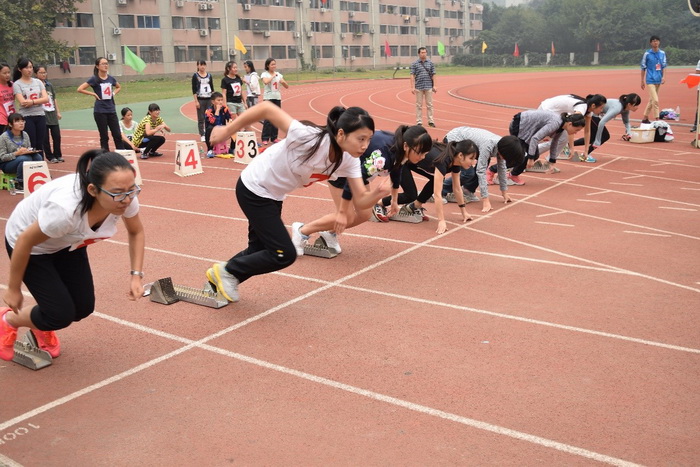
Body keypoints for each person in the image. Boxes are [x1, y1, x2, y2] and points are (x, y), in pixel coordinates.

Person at [206, 101, 389, 302]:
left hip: (274, 195)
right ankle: (228, 272)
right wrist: (226, 131)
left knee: (259, 251)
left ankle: (220, 277)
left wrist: (378, 193)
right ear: (341, 134)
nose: (365, 146)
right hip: (254, 187)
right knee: (284, 254)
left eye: (369, 139)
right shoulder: (308, 137)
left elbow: (361, 202)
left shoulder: (350, 160)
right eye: (361, 138)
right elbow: (266, 108)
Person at [1, 150, 145, 361]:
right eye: (117, 193)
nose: (127, 199)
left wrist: (136, 276)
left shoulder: (126, 198)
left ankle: (38, 323)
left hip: (67, 243)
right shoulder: (65, 211)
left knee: (83, 308)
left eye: (132, 189)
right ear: (93, 190)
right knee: (59, 315)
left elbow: (136, 232)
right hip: (32, 247)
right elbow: (25, 241)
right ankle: (8, 320)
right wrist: (14, 289)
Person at [292, 125, 431, 254]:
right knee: (347, 216)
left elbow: (397, 169)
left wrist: (394, 200)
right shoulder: (382, 157)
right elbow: (350, 181)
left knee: (365, 214)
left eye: (425, 153)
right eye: (420, 153)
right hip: (342, 172)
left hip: (359, 174)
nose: (423, 157)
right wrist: (343, 212)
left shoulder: (400, 148)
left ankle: (329, 233)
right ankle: (302, 231)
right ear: (406, 146)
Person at [488, 111, 586, 186]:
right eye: (576, 129)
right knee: (519, 155)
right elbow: (535, 138)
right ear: (570, 124)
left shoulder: (561, 126)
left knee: (534, 155)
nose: (576, 133)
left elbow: (554, 142)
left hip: (528, 130)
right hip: (519, 125)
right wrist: (530, 158)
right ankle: (491, 171)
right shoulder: (556, 123)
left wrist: (552, 161)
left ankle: (513, 175)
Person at [445, 127, 524, 213]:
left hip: (470, 146)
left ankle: (467, 190)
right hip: (454, 140)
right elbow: (481, 171)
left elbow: (502, 168)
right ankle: (440, 191)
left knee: (484, 163)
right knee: (468, 173)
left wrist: (504, 192)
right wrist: (485, 200)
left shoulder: (503, 146)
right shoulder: (488, 145)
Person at [537, 93, 606, 163]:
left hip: (555, 112)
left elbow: (587, 131)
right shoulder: (581, 108)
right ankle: (535, 153)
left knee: (562, 139)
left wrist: (586, 151)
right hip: (546, 110)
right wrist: (571, 148)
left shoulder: (588, 112)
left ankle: (548, 161)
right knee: (562, 138)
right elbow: (571, 128)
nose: (602, 110)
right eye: (601, 108)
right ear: (593, 105)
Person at [429, 140, 478, 234]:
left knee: (432, 183)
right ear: (460, 155)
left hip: (421, 166)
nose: (473, 163)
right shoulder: (443, 161)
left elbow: (457, 188)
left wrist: (464, 212)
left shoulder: (455, 163)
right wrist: (441, 221)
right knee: (410, 195)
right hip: (409, 163)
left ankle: (416, 205)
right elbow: (437, 194)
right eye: (471, 158)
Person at [77, 57, 124, 152]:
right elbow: (80, 89)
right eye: (103, 64)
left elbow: (118, 87)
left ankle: (121, 153)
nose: (106, 65)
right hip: (100, 111)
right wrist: (93, 94)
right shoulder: (94, 79)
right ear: (97, 66)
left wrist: (113, 93)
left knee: (117, 134)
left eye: (106, 63)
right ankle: (105, 155)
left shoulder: (111, 78)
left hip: (111, 110)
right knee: (104, 136)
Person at [575, 93, 641, 153]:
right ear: (629, 104)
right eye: (636, 105)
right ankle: (585, 154)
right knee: (605, 136)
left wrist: (629, 132)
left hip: (597, 115)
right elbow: (602, 122)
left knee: (592, 138)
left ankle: (571, 145)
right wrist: (597, 141)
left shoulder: (626, 110)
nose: (638, 107)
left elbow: (626, 122)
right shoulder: (617, 108)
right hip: (592, 114)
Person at [12, 58, 49, 161]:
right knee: (31, 143)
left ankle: (41, 164)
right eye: (26, 68)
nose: (29, 70)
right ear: (20, 69)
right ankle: (31, 165)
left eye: (31, 67)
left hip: (40, 115)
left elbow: (46, 99)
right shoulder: (17, 84)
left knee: (40, 143)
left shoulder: (38, 82)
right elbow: (23, 102)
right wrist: (38, 101)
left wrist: (32, 102)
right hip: (27, 117)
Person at [0, 113, 43, 193]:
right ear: (10, 124)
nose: (21, 123)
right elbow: (2, 157)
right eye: (17, 121)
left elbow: (29, 148)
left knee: (37, 157)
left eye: (23, 121)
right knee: (25, 159)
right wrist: (17, 153)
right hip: (7, 164)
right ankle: (19, 182)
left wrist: (29, 151)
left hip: (22, 159)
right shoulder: (4, 137)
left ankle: (37, 177)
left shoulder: (25, 134)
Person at [36, 65, 64, 163]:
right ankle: (50, 156)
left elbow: (54, 99)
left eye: (44, 72)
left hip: (52, 113)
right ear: (36, 74)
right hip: (42, 113)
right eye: (41, 73)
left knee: (57, 136)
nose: (43, 74)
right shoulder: (35, 86)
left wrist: (58, 111)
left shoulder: (49, 85)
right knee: (45, 138)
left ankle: (58, 154)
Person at [260, 58, 289, 145]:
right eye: (272, 64)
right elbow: (265, 82)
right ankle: (265, 138)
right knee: (268, 119)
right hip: (268, 98)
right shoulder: (264, 74)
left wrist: (283, 82)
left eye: (275, 64)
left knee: (276, 118)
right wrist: (273, 76)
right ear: (267, 65)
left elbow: (286, 86)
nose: (274, 66)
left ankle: (274, 137)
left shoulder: (278, 75)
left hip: (277, 98)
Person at [640, 35, 667, 124]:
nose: (655, 42)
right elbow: (643, 67)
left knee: (652, 100)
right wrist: (642, 81)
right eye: (653, 41)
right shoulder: (647, 54)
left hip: (658, 80)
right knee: (655, 100)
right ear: (651, 43)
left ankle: (645, 118)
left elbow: (664, 66)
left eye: (657, 41)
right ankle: (657, 119)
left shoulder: (662, 53)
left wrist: (663, 77)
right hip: (650, 80)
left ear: (659, 42)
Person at [410, 47, 437, 127]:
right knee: (419, 105)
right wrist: (412, 87)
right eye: (422, 52)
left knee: (429, 105)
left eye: (425, 52)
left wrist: (435, 85)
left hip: (428, 86)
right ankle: (419, 121)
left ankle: (431, 121)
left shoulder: (430, 63)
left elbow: (434, 74)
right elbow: (412, 75)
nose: (424, 54)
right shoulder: (414, 64)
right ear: (419, 54)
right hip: (419, 86)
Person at [204, 92, 233, 158]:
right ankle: (210, 150)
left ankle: (232, 148)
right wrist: (217, 110)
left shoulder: (225, 108)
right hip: (213, 130)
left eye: (221, 100)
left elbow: (229, 118)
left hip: (222, 129)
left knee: (235, 127)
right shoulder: (208, 111)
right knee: (209, 129)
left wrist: (230, 123)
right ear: (213, 102)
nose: (220, 102)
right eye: (218, 100)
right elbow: (213, 122)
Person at [192, 60, 213, 142]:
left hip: (209, 99)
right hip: (200, 99)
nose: (203, 67)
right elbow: (194, 89)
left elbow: (212, 87)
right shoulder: (195, 76)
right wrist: (196, 101)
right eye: (201, 65)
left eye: (204, 65)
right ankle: (202, 134)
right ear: (198, 66)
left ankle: (208, 132)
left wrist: (213, 99)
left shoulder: (209, 75)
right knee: (201, 118)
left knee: (209, 116)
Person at [0, 62, 15, 134]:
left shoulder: (13, 85)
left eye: (9, 72)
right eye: (4, 73)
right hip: (2, 120)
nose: (7, 75)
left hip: (13, 118)